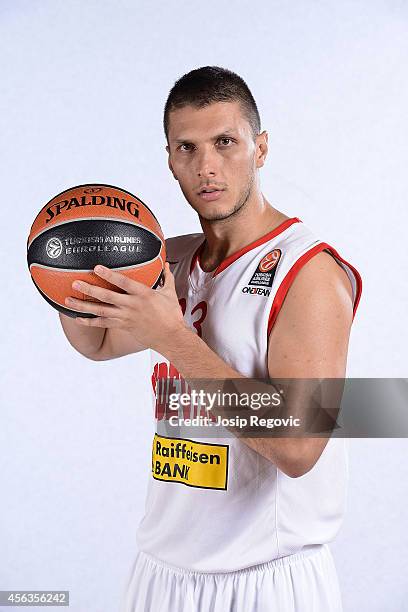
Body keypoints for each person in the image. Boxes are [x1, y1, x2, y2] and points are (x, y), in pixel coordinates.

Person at [59, 66, 362, 611]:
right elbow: (97, 344)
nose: (207, 167)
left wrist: (173, 339)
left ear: (260, 147)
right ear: (170, 160)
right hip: (160, 570)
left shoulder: (309, 272)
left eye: (226, 142)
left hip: (264, 580)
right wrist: (67, 281)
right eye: (187, 148)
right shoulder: (170, 259)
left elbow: (298, 446)